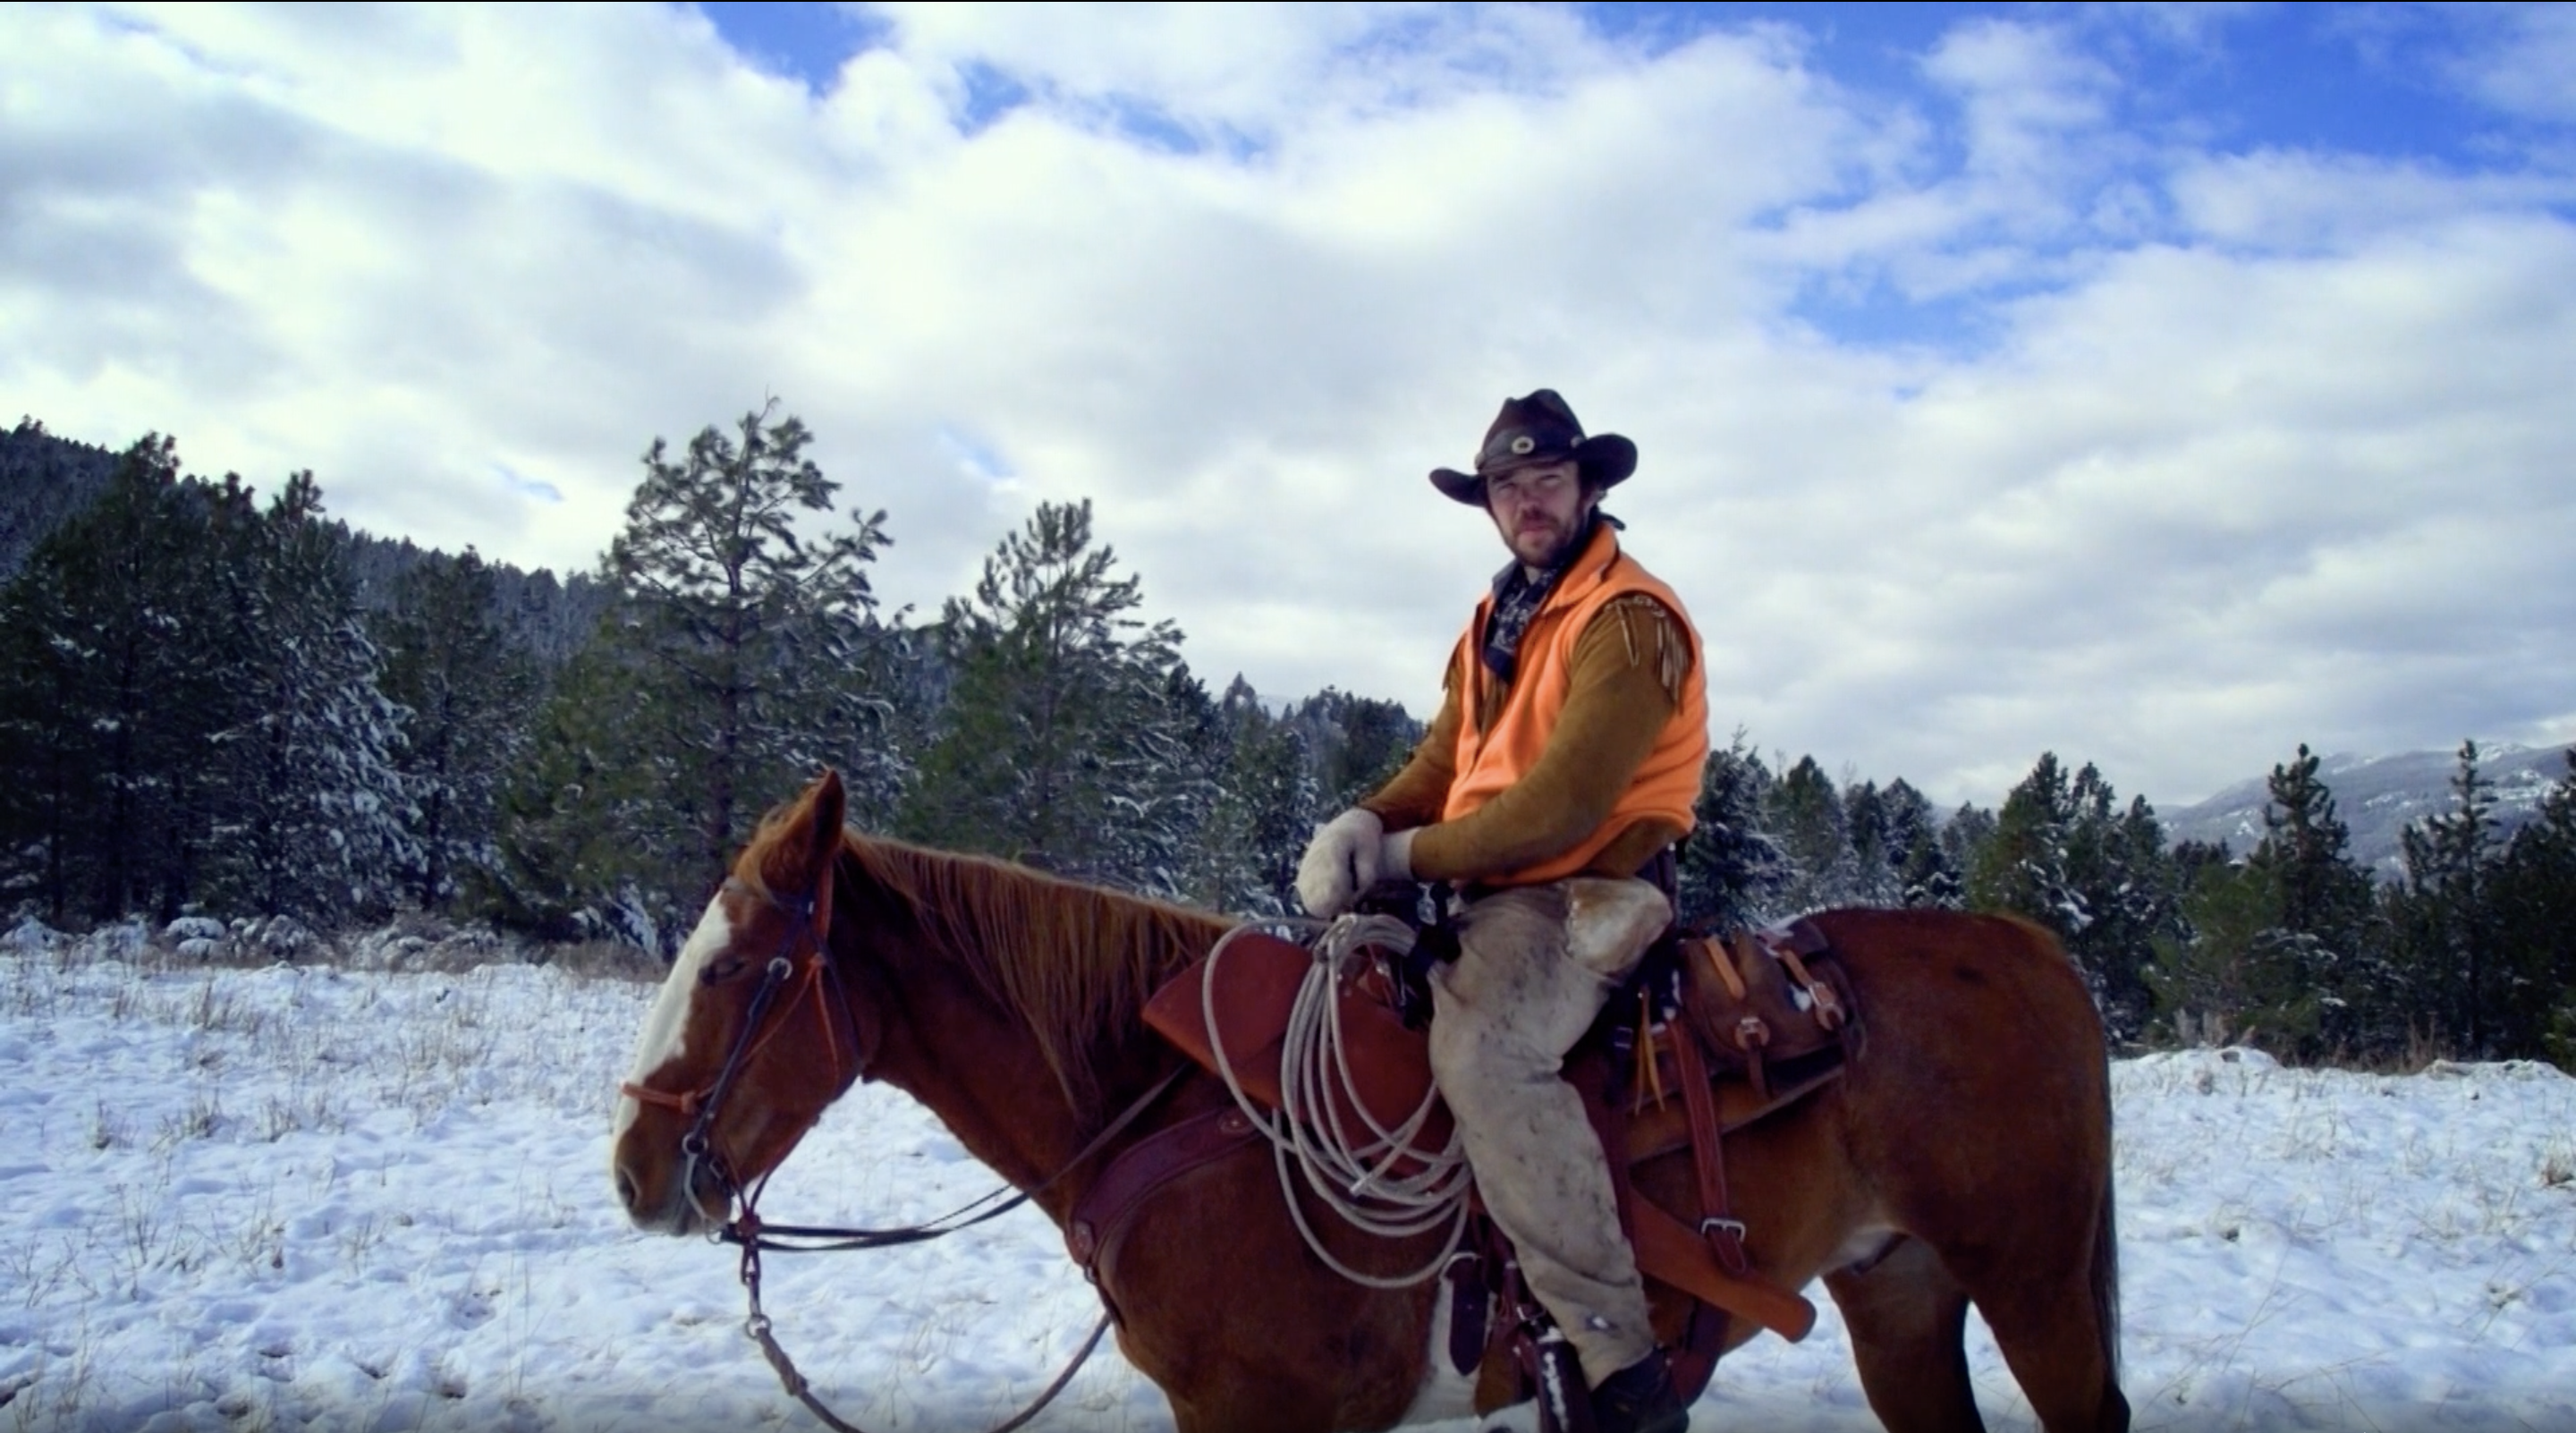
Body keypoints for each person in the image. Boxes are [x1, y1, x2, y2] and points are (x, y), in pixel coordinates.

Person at [1297, 389, 1707, 1433]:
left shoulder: (1628, 618)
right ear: (1489, 504)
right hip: (1488, 884)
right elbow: (1450, 762)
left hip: (1579, 887)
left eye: (1547, 482)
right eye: (1509, 487)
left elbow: (1558, 808)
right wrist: (1362, 819)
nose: (1528, 502)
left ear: (1589, 488)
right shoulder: (1503, 613)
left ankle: (1616, 1356)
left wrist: (1404, 852)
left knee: (1488, 1056)